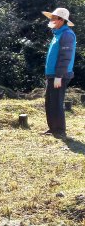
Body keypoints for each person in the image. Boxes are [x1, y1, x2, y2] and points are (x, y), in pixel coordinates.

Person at [42, 8, 76, 139]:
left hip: (59, 75)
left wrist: (59, 76)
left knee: (56, 102)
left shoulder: (67, 34)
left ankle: (60, 130)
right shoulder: (57, 34)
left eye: (53, 18)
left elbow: (65, 58)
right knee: (50, 102)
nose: (51, 20)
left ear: (61, 20)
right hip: (52, 75)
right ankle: (53, 128)